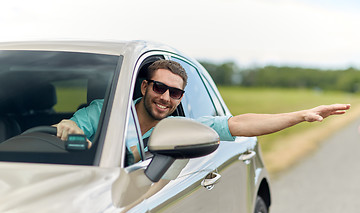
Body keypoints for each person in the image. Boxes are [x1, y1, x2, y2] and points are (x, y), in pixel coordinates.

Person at [55, 59, 351, 151]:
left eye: (175, 93)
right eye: (159, 87)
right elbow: (73, 128)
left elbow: (238, 123)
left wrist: (300, 115)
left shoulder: (180, 127)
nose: (165, 98)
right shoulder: (106, 111)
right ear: (145, 86)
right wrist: (69, 125)